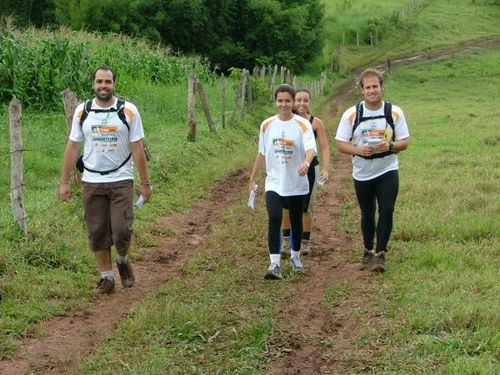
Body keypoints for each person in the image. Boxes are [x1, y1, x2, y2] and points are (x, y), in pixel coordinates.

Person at [59, 66, 152, 294]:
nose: (103, 86)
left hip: (122, 179)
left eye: (107, 82)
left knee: (121, 230)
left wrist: (145, 182)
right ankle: (106, 278)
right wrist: (64, 182)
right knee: (97, 231)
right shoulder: (83, 111)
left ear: (114, 84)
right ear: (93, 84)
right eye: (99, 81)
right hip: (91, 181)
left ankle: (122, 261)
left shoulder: (129, 111)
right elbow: (73, 146)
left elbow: (137, 147)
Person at [335, 68, 409, 273]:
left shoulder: (394, 112)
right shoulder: (352, 114)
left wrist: (391, 146)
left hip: (387, 169)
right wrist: (359, 150)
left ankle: (380, 254)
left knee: (386, 210)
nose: (372, 91)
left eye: (375, 86)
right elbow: (340, 143)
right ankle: (367, 250)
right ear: (361, 90)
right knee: (368, 213)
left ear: (382, 87)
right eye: (367, 87)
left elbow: (404, 142)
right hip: (362, 172)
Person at [248, 84, 317, 280]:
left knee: (296, 219)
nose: (284, 104)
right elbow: (261, 153)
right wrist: (252, 177)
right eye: (280, 100)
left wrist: (306, 162)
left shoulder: (302, 124)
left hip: (297, 182)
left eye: (288, 100)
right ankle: (275, 263)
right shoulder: (267, 125)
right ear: (275, 102)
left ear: (293, 102)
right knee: (275, 217)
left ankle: (295, 258)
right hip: (274, 181)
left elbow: (311, 148)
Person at [281, 89, 330, 256]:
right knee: (285, 206)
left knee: (306, 207)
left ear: (309, 102)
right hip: (289, 168)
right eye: (299, 100)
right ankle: (286, 241)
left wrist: (325, 168)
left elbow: (323, 147)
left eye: (305, 100)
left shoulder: (316, 123)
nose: (302, 103)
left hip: (310, 169)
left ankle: (305, 242)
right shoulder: (287, 121)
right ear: (294, 101)